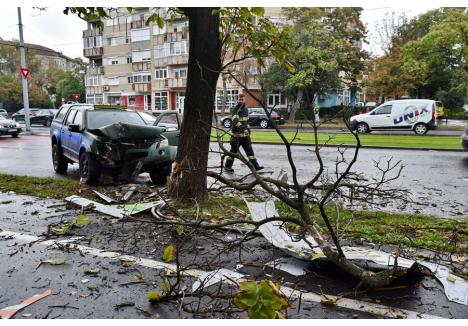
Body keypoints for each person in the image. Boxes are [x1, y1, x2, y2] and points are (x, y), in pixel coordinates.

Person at [224, 94, 263, 173]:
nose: (241, 101)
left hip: (245, 136)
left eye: (242, 99)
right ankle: (227, 166)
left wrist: (248, 129)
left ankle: (255, 166)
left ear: (244, 100)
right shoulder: (235, 109)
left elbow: (246, 121)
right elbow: (236, 121)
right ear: (237, 100)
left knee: (250, 151)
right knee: (233, 153)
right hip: (236, 136)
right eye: (239, 99)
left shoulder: (245, 109)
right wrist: (244, 129)